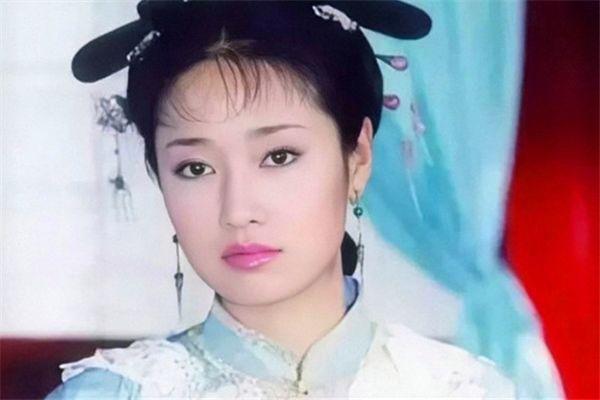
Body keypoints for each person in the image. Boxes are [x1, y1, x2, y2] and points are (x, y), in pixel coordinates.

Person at [46, 1, 516, 398]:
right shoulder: (110, 394)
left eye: (278, 156)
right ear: (158, 175)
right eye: (195, 168)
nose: (237, 211)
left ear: (358, 157)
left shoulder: (463, 391)